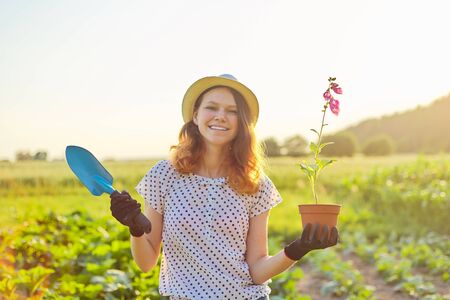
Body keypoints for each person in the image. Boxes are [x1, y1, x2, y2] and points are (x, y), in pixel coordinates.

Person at [109, 74, 339, 300]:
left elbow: (258, 271)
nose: (221, 116)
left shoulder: (256, 184)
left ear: (243, 123)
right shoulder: (165, 174)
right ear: (196, 115)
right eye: (212, 107)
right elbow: (146, 262)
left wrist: (298, 248)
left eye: (232, 111)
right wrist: (135, 227)